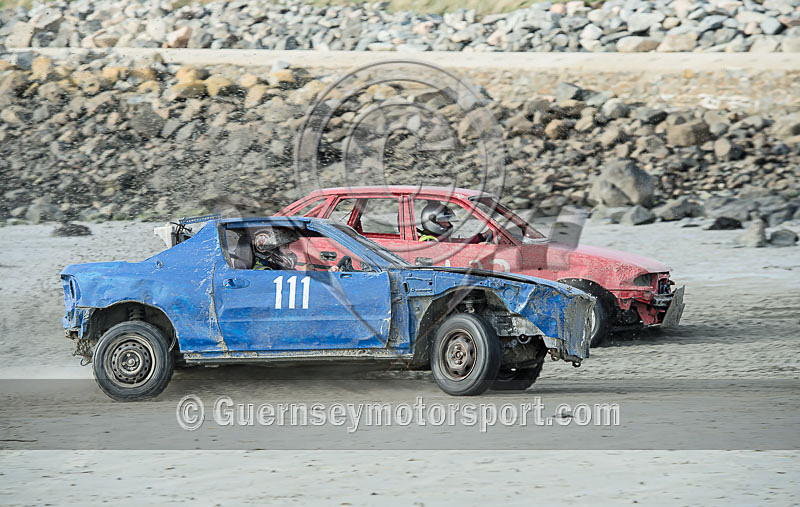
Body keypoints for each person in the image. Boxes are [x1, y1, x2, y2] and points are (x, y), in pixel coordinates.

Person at [251, 227, 346, 272]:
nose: (289, 251)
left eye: (288, 246)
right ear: (271, 250)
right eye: (285, 247)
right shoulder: (263, 272)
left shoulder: (276, 268)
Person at [418, 201, 493, 243]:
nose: (448, 224)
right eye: (444, 222)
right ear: (432, 222)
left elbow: (460, 242)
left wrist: (483, 236)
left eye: (448, 221)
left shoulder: (439, 238)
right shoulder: (429, 241)